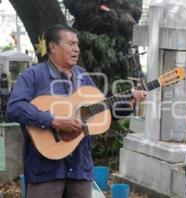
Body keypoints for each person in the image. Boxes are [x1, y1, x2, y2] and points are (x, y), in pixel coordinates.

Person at [6, 24, 146, 198]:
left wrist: (129, 105)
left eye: (77, 44)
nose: (76, 49)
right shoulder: (33, 76)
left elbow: (100, 115)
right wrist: (53, 120)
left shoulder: (83, 77)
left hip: (80, 169)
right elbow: (14, 107)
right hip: (45, 171)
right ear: (53, 46)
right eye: (71, 44)